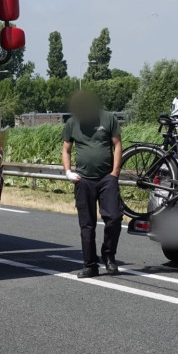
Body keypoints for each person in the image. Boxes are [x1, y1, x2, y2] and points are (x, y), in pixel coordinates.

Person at [62, 90, 123, 278]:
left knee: (114, 217)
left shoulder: (108, 119)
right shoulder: (72, 123)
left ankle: (109, 256)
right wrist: (68, 172)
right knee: (87, 225)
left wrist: (114, 173)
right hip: (83, 180)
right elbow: (66, 149)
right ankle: (90, 265)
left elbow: (118, 144)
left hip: (107, 178)